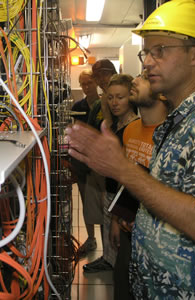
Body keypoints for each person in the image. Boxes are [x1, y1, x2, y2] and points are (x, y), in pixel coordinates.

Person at [65, 0, 195, 298]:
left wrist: (123, 169)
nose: (147, 62)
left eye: (160, 51)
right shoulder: (175, 122)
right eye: (146, 52)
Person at [109, 71, 168, 299]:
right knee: (122, 286)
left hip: (156, 239)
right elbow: (125, 180)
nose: (134, 80)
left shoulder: (170, 136)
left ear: (162, 93)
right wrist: (115, 219)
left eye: (144, 77)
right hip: (127, 232)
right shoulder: (131, 130)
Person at [84, 73, 138, 273]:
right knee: (109, 233)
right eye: (111, 97)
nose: (115, 102)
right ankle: (109, 261)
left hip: (123, 196)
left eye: (120, 97)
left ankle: (117, 269)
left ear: (131, 98)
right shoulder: (113, 125)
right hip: (110, 190)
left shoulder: (134, 127)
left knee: (120, 243)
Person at [78, 59, 117, 271]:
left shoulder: (123, 98)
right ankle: (107, 256)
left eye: (101, 74)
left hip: (116, 167)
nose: (99, 80)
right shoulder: (97, 105)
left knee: (115, 213)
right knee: (103, 213)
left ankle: (114, 258)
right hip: (98, 168)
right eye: (96, 76)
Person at [70, 70, 100, 256]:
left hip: (100, 163)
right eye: (83, 84)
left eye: (89, 83)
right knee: (84, 199)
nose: (86, 87)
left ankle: (109, 248)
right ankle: (91, 238)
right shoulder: (78, 106)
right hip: (82, 162)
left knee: (103, 204)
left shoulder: (104, 105)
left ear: (95, 82)